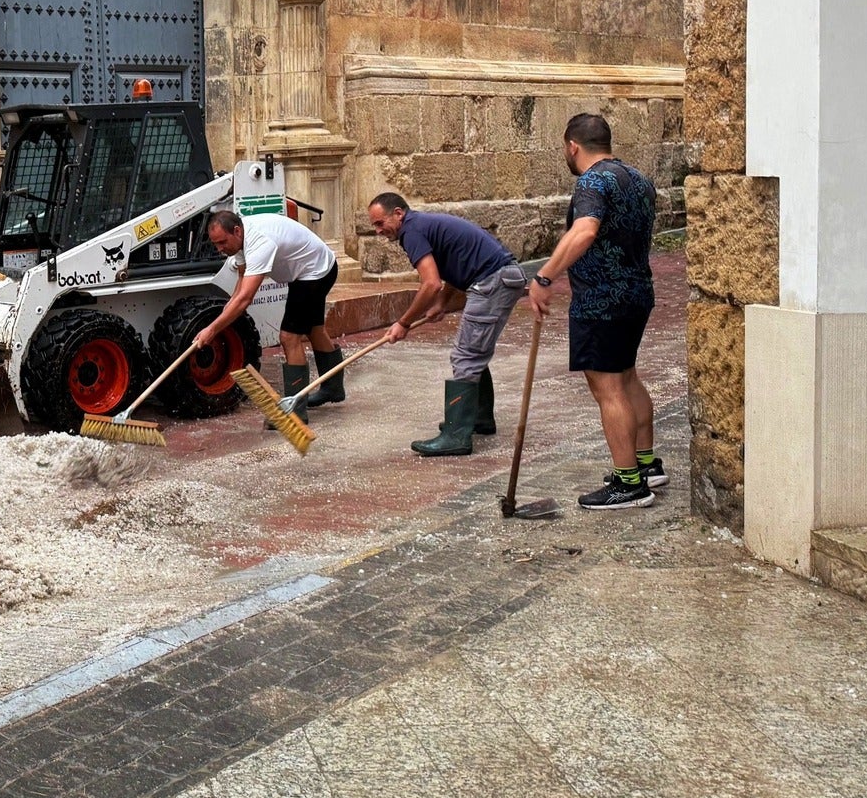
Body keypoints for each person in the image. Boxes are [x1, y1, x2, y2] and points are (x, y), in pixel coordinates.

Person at [529, 113, 661, 511]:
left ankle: (628, 484)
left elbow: (584, 230)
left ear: (573, 146)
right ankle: (645, 464)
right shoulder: (639, 180)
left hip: (602, 301)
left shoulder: (591, 181)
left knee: (608, 388)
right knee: (626, 376)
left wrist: (546, 276)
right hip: (637, 293)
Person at [367, 193, 529, 456]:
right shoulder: (423, 225)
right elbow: (457, 264)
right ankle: (478, 418)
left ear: (398, 213)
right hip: (498, 278)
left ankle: (456, 436)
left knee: (465, 355)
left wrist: (403, 323)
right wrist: (442, 303)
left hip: (492, 282)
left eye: (379, 223)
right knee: (474, 351)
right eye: (374, 226)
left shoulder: (412, 231)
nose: (378, 231)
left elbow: (430, 283)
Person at [195, 207, 345, 413]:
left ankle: (295, 410)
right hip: (309, 269)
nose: (220, 249)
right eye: (215, 244)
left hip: (315, 272)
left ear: (236, 231)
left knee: (289, 337)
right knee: (314, 329)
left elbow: (245, 298)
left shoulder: (259, 243)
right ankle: (333, 388)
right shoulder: (240, 239)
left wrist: (211, 329)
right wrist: (223, 318)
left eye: (222, 242)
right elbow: (240, 283)